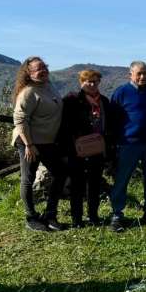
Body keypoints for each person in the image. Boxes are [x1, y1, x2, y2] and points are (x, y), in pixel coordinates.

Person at [12, 56, 67, 231]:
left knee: (60, 173)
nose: (42, 71)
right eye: (38, 69)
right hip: (29, 142)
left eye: (44, 67)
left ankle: (50, 214)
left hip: (48, 142)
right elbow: (20, 120)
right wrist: (29, 145)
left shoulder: (48, 86)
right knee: (28, 178)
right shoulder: (28, 92)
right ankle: (31, 217)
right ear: (28, 73)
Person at [110, 61, 146, 230]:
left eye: (145, 73)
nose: (142, 76)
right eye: (139, 73)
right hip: (128, 143)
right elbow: (114, 119)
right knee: (122, 179)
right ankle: (117, 215)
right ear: (130, 74)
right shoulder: (121, 93)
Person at [60, 69, 111, 228]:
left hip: (97, 148)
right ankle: (77, 219)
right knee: (77, 184)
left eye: (95, 81)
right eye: (88, 81)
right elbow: (65, 125)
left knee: (94, 184)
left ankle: (93, 216)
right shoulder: (71, 100)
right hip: (78, 149)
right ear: (81, 82)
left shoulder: (103, 101)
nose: (92, 84)